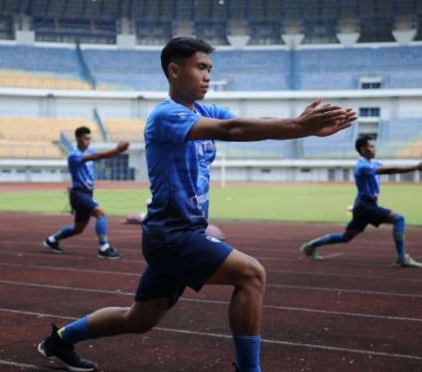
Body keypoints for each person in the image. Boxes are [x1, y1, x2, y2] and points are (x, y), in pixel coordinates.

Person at [36, 36, 356, 372]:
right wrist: (297, 126)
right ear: (174, 70)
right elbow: (232, 129)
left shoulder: (205, 110)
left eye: (209, 69)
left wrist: (300, 129)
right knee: (251, 275)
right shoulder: (165, 115)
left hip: (179, 233)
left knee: (139, 318)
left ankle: (60, 340)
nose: (208, 76)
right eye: (200, 67)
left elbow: (247, 125)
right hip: (173, 235)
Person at [300, 137, 422, 268]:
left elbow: (389, 167)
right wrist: (415, 167)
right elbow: (389, 170)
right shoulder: (362, 166)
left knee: (346, 237)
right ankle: (401, 257)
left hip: (363, 207)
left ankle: (310, 246)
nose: (374, 149)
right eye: (371, 146)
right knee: (399, 219)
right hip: (365, 206)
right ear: (363, 149)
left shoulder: (372, 164)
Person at [43, 126, 129, 259]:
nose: (88, 141)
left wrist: (118, 152)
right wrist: (117, 149)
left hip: (87, 193)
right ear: (78, 138)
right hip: (79, 194)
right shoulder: (73, 155)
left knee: (78, 229)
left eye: (89, 138)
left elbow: (101, 156)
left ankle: (52, 240)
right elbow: (97, 156)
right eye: (85, 138)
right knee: (100, 213)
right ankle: (104, 248)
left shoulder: (90, 151)